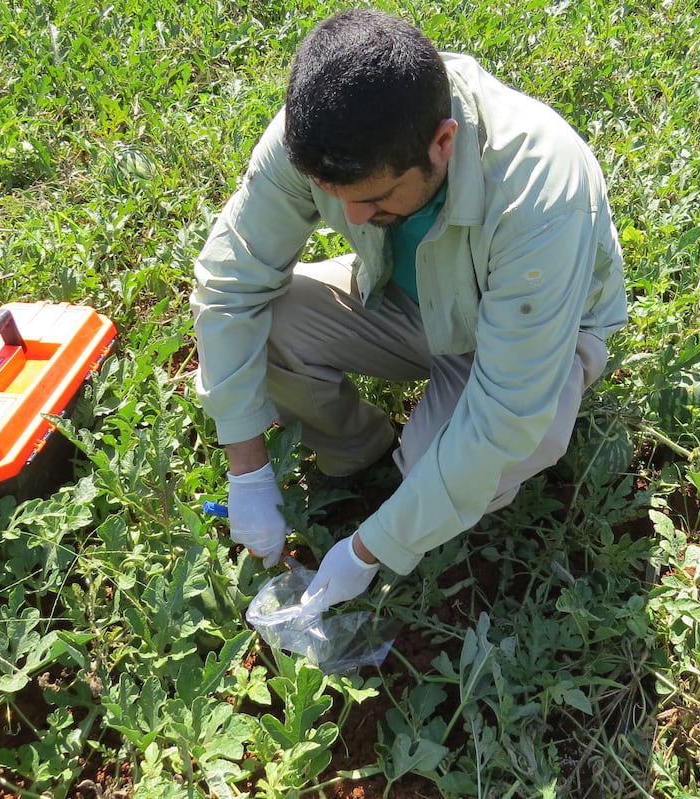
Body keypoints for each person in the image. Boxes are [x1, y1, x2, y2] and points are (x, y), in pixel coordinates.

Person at [189, 8, 627, 612]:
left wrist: (373, 549)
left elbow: (506, 412)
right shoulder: (314, 135)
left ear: (442, 144)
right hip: (408, 296)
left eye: (375, 199)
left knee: (454, 462)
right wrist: (247, 470)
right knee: (271, 326)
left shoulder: (538, 187)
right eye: (340, 200)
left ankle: (405, 476)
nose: (355, 218)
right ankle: (359, 455)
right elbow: (228, 284)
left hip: (535, 335)